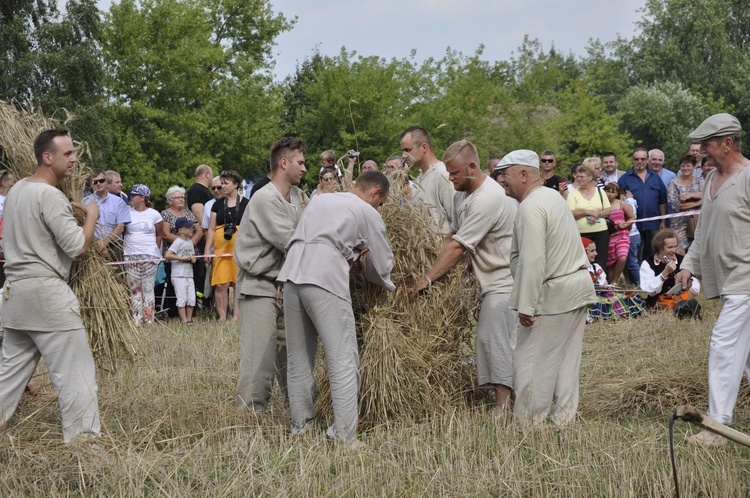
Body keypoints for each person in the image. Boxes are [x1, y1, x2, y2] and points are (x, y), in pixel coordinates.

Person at [279, 170, 395, 447]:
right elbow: (382, 264)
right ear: (376, 193)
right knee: (343, 359)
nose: (379, 207)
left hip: (292, 275)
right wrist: (383, 282)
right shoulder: (367, 211)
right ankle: (344, 435)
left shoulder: (320, 200)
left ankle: (301, 429)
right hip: (325, 276)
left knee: (298, 359)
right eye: (381, 203)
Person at [0, 129, 101, 443]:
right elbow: (76, 247)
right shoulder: (49, 195)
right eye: (68, 154)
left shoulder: (16, 191)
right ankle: (83, 443)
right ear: (47, 157)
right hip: (46, 293)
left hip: (14, 293)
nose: (74, 159)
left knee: (9, 375)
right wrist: (92, 216)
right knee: (75, 373)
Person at [409, 140, 517, 416]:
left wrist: (427, 278)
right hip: (487, 281)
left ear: (472, 167)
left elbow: (458, 246)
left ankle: (503, 406)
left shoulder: (488, 197)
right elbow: (452, 234)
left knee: (494, 339)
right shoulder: (461, 194)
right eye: (448, 172)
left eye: (455, 173)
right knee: (490, 339)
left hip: (505, 280)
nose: (451, 178)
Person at [496, 149, 596, 427]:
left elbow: (533, 259)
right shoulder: (553, 197)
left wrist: (526, 305)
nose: (501, 180)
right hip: (576, 287)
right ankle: (562, 422)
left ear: (525, 174)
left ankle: (529, 425)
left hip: (555, 293)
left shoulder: (531, 206)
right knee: (565, 362)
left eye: (505, 174)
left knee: (530, 362)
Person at [674, 113, 750, 446]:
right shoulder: (710, 181)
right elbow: (703, 229)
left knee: (723, 347)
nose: (702, 151)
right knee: (745, 356)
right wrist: (689, 264)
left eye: (708, 144)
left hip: (745, 280)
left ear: (728, 143)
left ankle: (718, 427)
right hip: (726, 279)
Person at [234, 137, 309, 412]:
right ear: (284, 163)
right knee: (260, 356)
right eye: (300, 162)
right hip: (260, 285)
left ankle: (299, 410)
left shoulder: (301, 198)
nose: (304, 168)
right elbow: (293, 241)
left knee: (292, 353)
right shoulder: (265, 198)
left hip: (287, 285)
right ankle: (249, 416)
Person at [204, 170, 248, 323]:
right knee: (221, 284)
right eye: (221, 183)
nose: (222, 187)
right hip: (221, 249)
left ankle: (237, 317)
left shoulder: (246, 203)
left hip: (239, 248)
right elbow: (211, 228)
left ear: (236, 185)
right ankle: (222, 317)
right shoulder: (217, 205)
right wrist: (207, 250)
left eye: (226, 183)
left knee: (237, 283)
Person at [399, 126, 455, 234]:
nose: (403, 156)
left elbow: (458, 222)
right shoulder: (418, 180)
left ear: (424, 147)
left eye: (407, 150)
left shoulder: (443, 175)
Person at [618, 148, 667, 264]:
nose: (639, 161)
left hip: (653, 223)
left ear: (647, 160)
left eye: (643, 159)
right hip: (633, 225)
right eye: (636, 159)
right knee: (635, 254)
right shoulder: (624, 179)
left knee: (653, 252)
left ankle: (650, 277)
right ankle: (635, 280)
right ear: (633, 160)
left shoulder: (655, 177)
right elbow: (617, 202)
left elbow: (662, 201)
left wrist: (663, 221)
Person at [123, 184, 163, 324]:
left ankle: (148, 318)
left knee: (148, 288)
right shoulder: (127, 213)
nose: (131, 198)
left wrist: (153, 250)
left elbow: (159, 234)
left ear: (142, 197)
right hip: (131, 256)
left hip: (149, 256)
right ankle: (137, 318)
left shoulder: (154, 214)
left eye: (134, 195)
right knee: (135, 289)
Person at [582, 237, 645, 321]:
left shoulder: (595, 268)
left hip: (599, 292)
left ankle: (622, 314)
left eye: (595, 250)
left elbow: (602, 282)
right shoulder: (576, 270)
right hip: (587, 296)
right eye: (592, 251)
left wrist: (606, 287)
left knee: (618, 296)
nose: (596, 253)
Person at [640, 229, 700, 316]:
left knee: (687, 301)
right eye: (670, 247)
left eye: (675, 246)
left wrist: (686, 282)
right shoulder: (648, 263)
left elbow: (696, 289)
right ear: (659, 247)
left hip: (681, 298)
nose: (674, 250)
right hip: (658, 300)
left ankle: (684, 311)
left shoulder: (682, 260)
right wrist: (664, 274)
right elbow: (649, 290)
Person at [567, 164, 611, 270]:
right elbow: (570, 213)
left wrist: (597, 214)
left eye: (581, 176)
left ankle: (600, 282)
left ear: (590, 178)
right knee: (582, 260)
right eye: (577, 176)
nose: (578, 179)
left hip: (601, 231)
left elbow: (608, 210)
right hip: (581, 233)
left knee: (601, 259)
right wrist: (587, 212)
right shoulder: (573, 194)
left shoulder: (600, 192)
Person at [84, 168, 131, 258]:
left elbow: (120, 227)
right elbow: (83, 225)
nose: (98, 184)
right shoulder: (85, 202)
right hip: (92, 246)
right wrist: (97, 243)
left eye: (101, 181)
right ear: (91, 184)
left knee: (117, 272)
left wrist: (104, 243)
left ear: (106, 182)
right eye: (95, 182)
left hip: (114, 247)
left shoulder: (119, 202)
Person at [187, 164, 214, 299]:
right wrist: (210, 232)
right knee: (202, 274)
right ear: (207, 174)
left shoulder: (205, 191)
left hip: (209, 236)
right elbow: (199, 213)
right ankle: (202, 301)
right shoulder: (197, 190)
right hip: (204, 238)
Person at [667, 154, 703, 253]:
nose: (685, 168)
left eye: (688, 165)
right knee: (679, 251)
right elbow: (676, 205)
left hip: (698, 223)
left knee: (698, 251)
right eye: (683, 166)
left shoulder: (700, 182)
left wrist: (689, 197)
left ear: (694, 167)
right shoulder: (673, 183)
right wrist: (698, 202)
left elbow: (707, 198)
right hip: (679, 224)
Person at [165, 217, 197, 325]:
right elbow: (168, 255)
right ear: (180, 230)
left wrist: (193, 259)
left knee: (191, 298)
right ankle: (184, 320)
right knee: (182, 298)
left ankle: (189, 318)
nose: (191, 229)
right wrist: (181, 259)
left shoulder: (190, 242)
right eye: (188, 228)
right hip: (179, 275)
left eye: (191, 227)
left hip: (189, 274)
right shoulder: (177, 242)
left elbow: (193, 256)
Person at [603, 183, 636, 285]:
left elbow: (632, 217)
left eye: (613, 192)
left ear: (617, 193)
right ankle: (610, 285)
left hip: (622, 235)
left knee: (622, 258)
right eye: (608, 191)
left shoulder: (622, 204)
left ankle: (614, 282)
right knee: (610, 263)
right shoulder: (601, 205)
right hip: (608, 237)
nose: (610, 194)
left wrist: (625, 224)